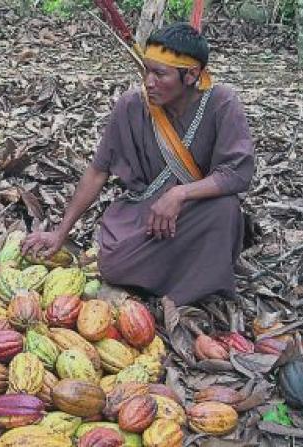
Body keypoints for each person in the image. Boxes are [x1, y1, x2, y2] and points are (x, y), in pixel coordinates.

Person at [22, 23, 255, 305]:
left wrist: (180, 194)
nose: (148, 82)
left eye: (160, 74)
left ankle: (188, 294)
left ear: (191, 75)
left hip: (197, 211)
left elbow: (236, 173)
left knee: (226, 209)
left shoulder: (222, 103)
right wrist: (61, 232)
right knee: (113, 264)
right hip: (143, 210)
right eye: (147, 70)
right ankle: (162, 274)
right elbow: (98, 170)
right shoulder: (132, 105)